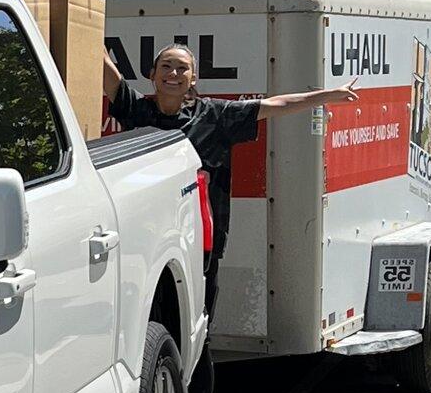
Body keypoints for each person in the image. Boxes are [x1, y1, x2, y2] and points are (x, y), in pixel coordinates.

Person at [120, 46, 353, 321]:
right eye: (166, 66)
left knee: (196, 328)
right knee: (152, 327)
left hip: (199, 244)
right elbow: (101, 65)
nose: (173, 73)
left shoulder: (214, 116)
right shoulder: (135, 110)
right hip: (146, 242)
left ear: (193, 78)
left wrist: (328, 96)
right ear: (152, 75)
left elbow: (277, 105)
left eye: (182, 68)